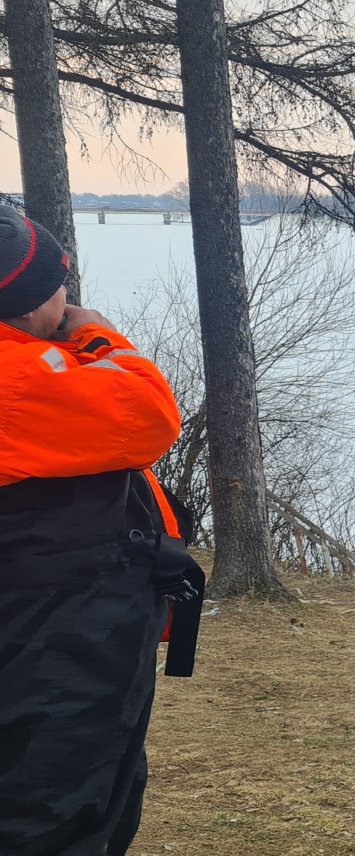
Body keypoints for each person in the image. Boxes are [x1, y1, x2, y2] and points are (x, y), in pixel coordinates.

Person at [0, 206, 203, 855]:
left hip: (62, 640)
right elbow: (148, 413)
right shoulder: (18, 383)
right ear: (29, 301)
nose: (66, 299)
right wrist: (99, 335)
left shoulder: (27, 370)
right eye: (58, 285)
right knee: (57, 818)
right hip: (52, 660)